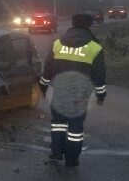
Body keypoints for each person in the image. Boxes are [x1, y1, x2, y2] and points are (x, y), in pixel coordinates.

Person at [38, 13, 106, 167]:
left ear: (73, 24)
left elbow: (48, 69)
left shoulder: (58, 44)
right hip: (80, 95)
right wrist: (101, 95)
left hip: (59, 92)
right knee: (75, 129)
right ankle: (71, 158)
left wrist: (42, 87)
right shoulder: (95, 48)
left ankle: (56, 153)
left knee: (58, 124)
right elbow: (99, 75)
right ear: (89, 25)